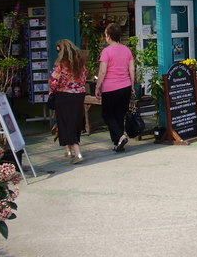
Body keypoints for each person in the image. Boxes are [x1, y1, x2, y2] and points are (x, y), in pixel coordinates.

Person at [94, 23, 135, 152]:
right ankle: (117, 143)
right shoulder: (127, 50)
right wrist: (132, 85)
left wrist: (97, 87)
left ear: (109, 36)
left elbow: (102, 71)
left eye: (106, 35)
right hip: (125, 86)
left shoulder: (106, 51)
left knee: (107, 115)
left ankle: (121, 136)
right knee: (119, 115)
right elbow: (132, 69)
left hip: (110, 88)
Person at [48, 39, 87, 164]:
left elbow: (54, 80)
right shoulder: (80, 63)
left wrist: (51, 92)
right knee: (74, 122)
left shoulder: (60, 64)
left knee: (65, 123)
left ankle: (77, 153)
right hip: (79, 95)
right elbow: (84, 78)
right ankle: (68, 149)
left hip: (63, 95)